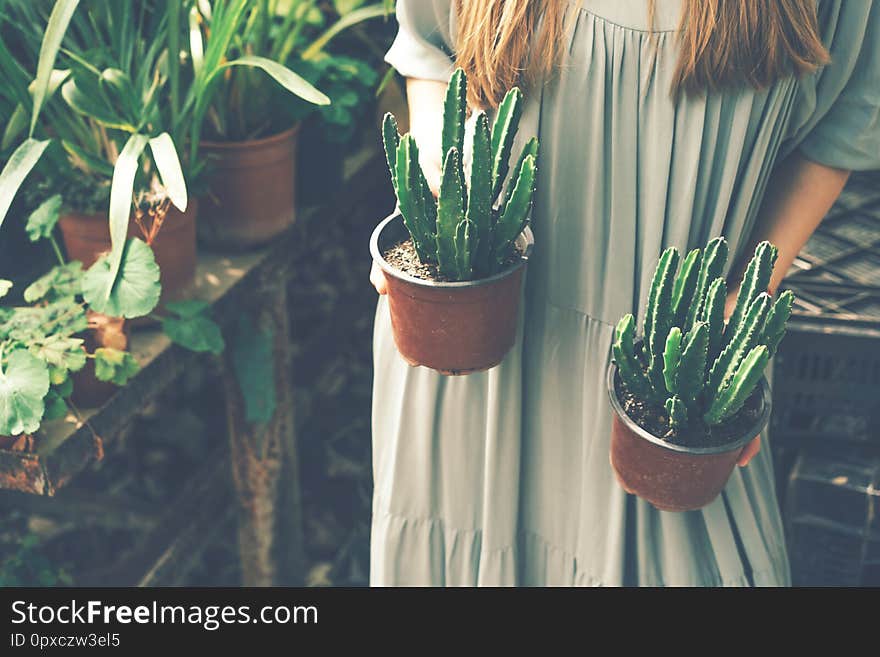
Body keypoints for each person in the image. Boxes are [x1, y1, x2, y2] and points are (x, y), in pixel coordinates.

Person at [369, 0, 880, 586]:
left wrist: (741, 308)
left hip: (673, 380)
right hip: (477, 344)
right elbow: (431, 49)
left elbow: (845, 125)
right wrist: (441, 201)